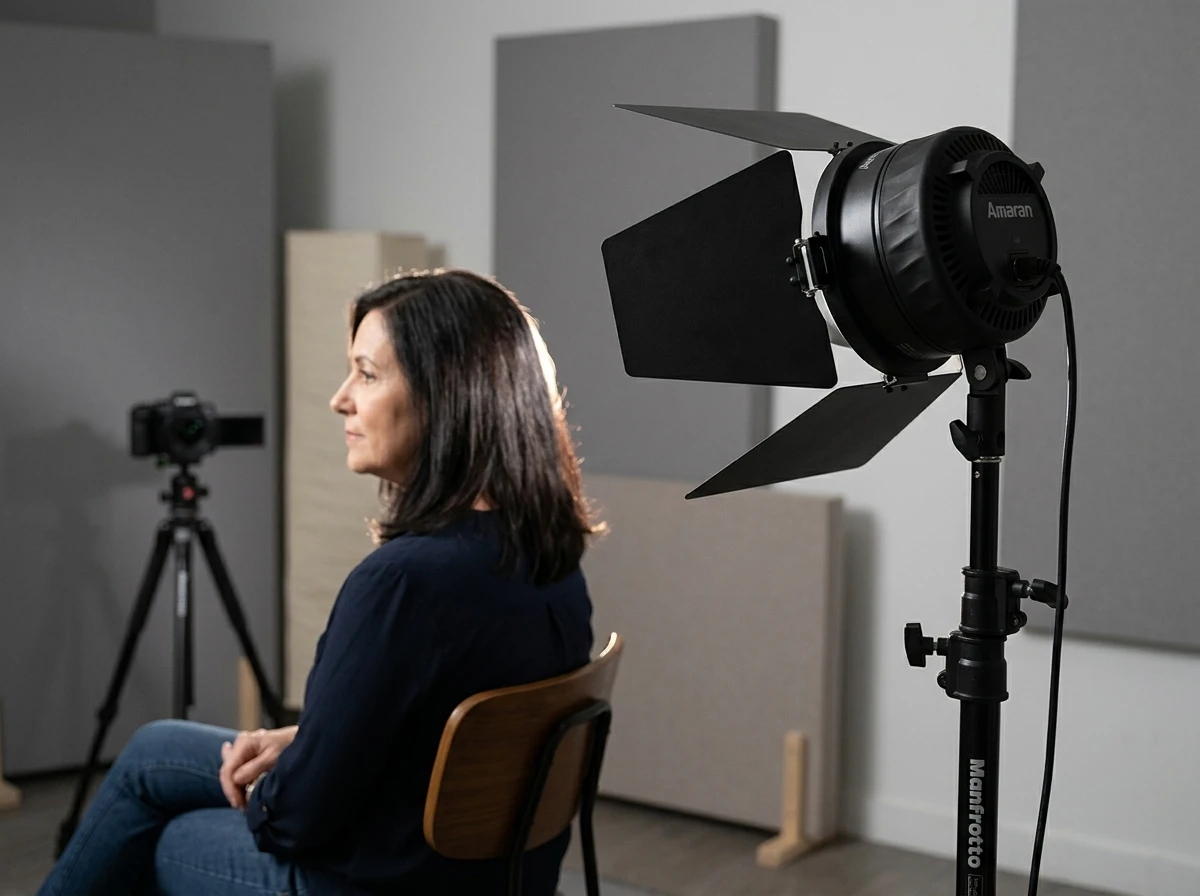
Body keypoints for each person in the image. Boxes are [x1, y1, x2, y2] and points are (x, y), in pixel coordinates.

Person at [39, 269, 604, 895]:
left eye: (366, 374)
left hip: (382, 884)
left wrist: (279, 786)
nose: (340, 399)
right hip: (502, 878)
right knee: (156, 750)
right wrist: (310, 744)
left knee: (170, 835)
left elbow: (296, 822)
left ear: (447, 392)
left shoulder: (401, 583)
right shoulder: (548, 554)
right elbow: (439, 737)